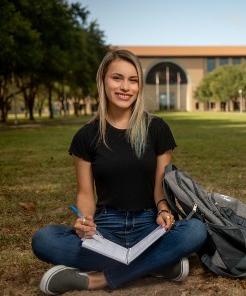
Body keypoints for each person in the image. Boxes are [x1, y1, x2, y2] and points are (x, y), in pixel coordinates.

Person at [32, 49, 207, 295]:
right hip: (106, 228)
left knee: (196, 231)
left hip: (149, 224)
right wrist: (84, 221)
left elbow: (160, 187)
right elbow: (85, 193)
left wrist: (164, 211)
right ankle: (156, 264)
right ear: (103, 80)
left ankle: (99, 280)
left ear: (139, 86)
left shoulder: (157, 129)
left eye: (133, 80)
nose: (125, 87)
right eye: (117, 78)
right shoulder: (86, 136)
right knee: (44, 240)